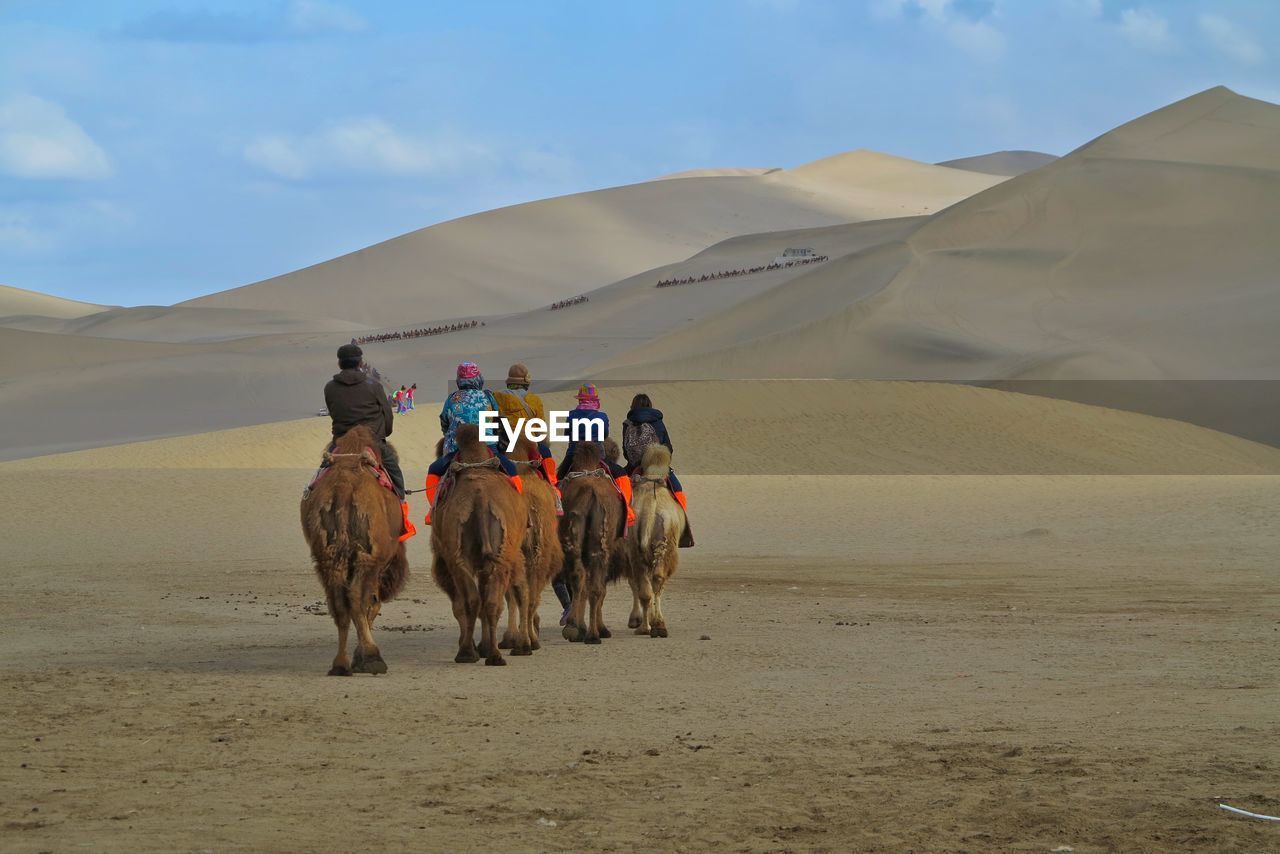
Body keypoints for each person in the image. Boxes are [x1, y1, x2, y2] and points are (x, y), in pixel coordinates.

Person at [323, 343, 413, 539]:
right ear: (360, 362)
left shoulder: (329, 388)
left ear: (339, 363)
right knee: (395, 474)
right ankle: (402, 513)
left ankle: (310, 494)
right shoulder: (373, 386)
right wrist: (382, 437)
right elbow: (387, 416)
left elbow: (334, 413)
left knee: (321, 474)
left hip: (341, 442)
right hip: (372, 442)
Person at [423, 362, 522, 524]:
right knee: (511, 468)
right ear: (479, 379)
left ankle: (433, 510)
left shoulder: (452, 398)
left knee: (433, 470)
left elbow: (444, 423)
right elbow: (497, 419)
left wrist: (451, 436)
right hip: (487, 446)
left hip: (458, 448)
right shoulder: (488, 396)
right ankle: (519, 508)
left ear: (459, 380)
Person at [558, 382, 634, 528]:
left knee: (558, 480)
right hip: (598, 455)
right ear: (595, 400)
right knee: (620, 474)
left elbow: (567, 434)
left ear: (580, 400)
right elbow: (604, 435)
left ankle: (555, 507)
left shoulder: (572, 415)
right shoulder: (602, 416)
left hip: (575, 453)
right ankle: (628, 510)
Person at [622, 393, 693, 547]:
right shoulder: (657, 421)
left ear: (632, 406)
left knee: (619, 489)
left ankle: (623, 523)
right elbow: (669, 447)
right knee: (677, 490)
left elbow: (626, 452)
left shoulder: (627, 423)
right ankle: (683, 529)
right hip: (657, 466)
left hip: (634, 467)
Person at [492, 363, 560, 491]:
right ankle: (554, 490)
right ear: (526, 383)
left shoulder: (496, 397)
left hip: (505, 443)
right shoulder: (534, 400)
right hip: (529, 443)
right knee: (546, 456)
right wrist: (543, 444)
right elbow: (540, 428)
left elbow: (492, 421)